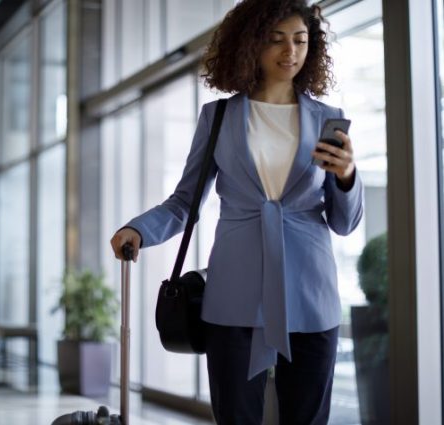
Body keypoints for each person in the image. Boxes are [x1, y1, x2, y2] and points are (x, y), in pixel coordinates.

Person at [110, 0, 363, 424]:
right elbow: (184, 202)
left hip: (309, 292)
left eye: (301, 40)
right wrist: (138, 229)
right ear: (251, 44)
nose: (291, 52)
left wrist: (348, 176)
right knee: (235, 417)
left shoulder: (328, 120)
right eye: (276, 39)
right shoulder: (220, 117)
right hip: (235, 291)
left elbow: (344, 222)